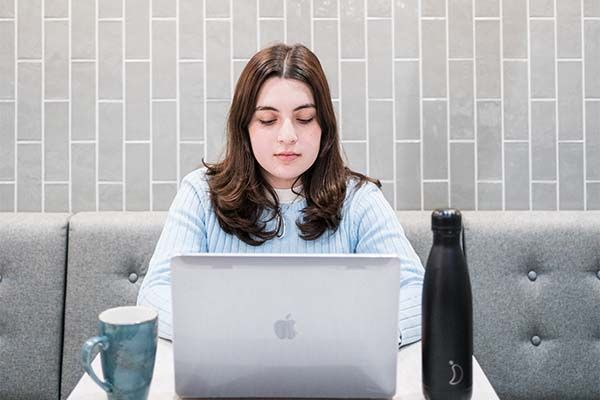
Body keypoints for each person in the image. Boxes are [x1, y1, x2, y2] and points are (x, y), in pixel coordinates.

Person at [137, 43, 424, 347]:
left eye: (304, 119)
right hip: (230, 368)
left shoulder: (360, 200)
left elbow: (418, 292)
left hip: (331, 369)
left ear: (324, 126)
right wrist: (233, 333)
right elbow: (155, 294)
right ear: (244, 126)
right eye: (268, 120)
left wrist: (362, 334)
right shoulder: (200, 193)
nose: (287, 136)